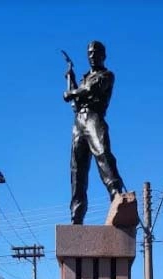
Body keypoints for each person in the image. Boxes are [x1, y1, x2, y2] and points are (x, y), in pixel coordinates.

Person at [63, 40, 124, 224]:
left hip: (94, 118)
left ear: (103, 55)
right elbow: (75, 105)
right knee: (77, 171)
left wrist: (72, 92)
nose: (92, 56)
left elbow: (89, 89)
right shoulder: (82, 79)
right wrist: (70, 80)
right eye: (89, 53)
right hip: (79, 122)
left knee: (102, 154)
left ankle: (116, 193)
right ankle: (77, 215)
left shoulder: (106, 75)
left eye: (95, 52)